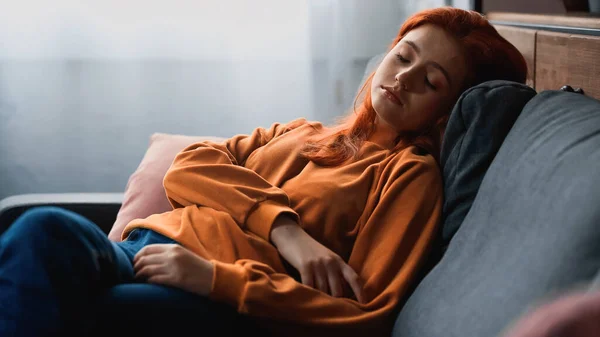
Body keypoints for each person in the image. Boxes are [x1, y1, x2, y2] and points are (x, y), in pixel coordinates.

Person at [0, 6, 527, 337]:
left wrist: (215, 279)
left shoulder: (409, 177)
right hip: (141, 248)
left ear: (445, 110)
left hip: (220, 301)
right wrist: (288, 231)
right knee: (39, 230)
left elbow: (371, 314)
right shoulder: (301, 130)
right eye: (403, 56)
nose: (404, 78)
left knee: (90, 311)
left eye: (431, 79)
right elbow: (189, 167)